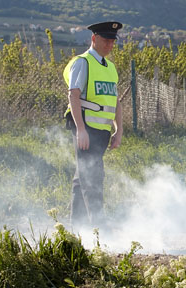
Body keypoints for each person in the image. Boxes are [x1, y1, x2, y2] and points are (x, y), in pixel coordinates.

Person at [63, 21, 123, 229]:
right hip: (86, 128)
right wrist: (80, 129)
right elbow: (74, 95)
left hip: (102, 132)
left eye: (112, 41)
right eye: (106, 40)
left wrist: (118, 129)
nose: (109, 45)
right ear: (94, 39)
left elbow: (115, 101)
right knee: (93, 176)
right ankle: (100, 228)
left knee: (82, 179)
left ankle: (75, 228)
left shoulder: (111, 68)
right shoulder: (83, 62)